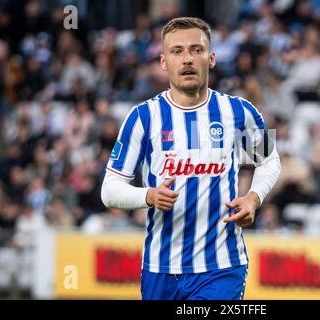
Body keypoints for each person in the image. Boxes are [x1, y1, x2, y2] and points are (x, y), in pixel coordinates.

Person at [100, 17, 281, 300]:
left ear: (211, 58)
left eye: (196, 50)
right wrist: (148, 196)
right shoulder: (143, 118)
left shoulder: (238, 111)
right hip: (160, 269)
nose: (187, 59)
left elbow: (270, 161)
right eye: (177, 51)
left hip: (222, 266)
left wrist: (253, 198)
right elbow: (109, 190)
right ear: (163, 62)